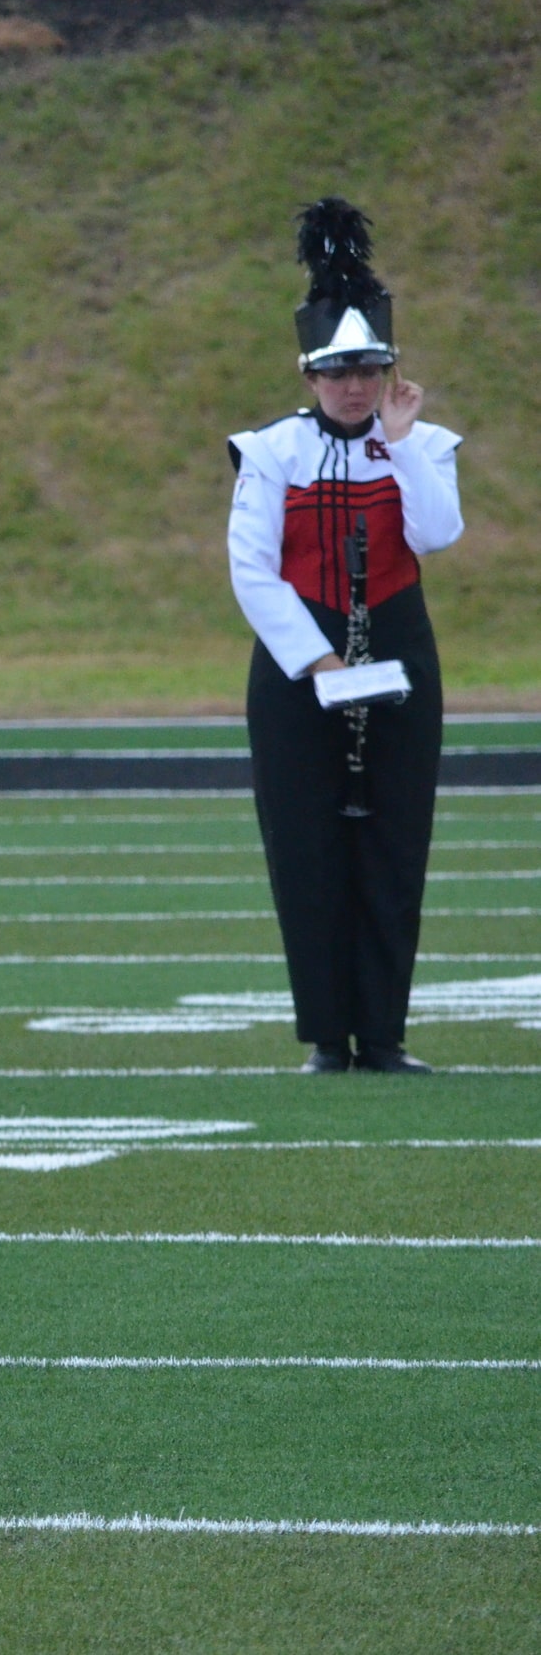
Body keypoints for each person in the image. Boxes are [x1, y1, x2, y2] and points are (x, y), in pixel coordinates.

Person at [227, 199, 461, 1075]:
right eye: (336, 371)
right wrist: (322, 663)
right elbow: (252, 570)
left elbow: (436, 535)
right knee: (307, 845)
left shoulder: (423, 443)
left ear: (390, 370)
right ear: (308, 373)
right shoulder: (270, 452)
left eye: (367, 368)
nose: (353, 386)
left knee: (396, 842)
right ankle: (327, 1036)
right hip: (301, 664)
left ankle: (386, 1034)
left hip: (399, 647)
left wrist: (398, 447)